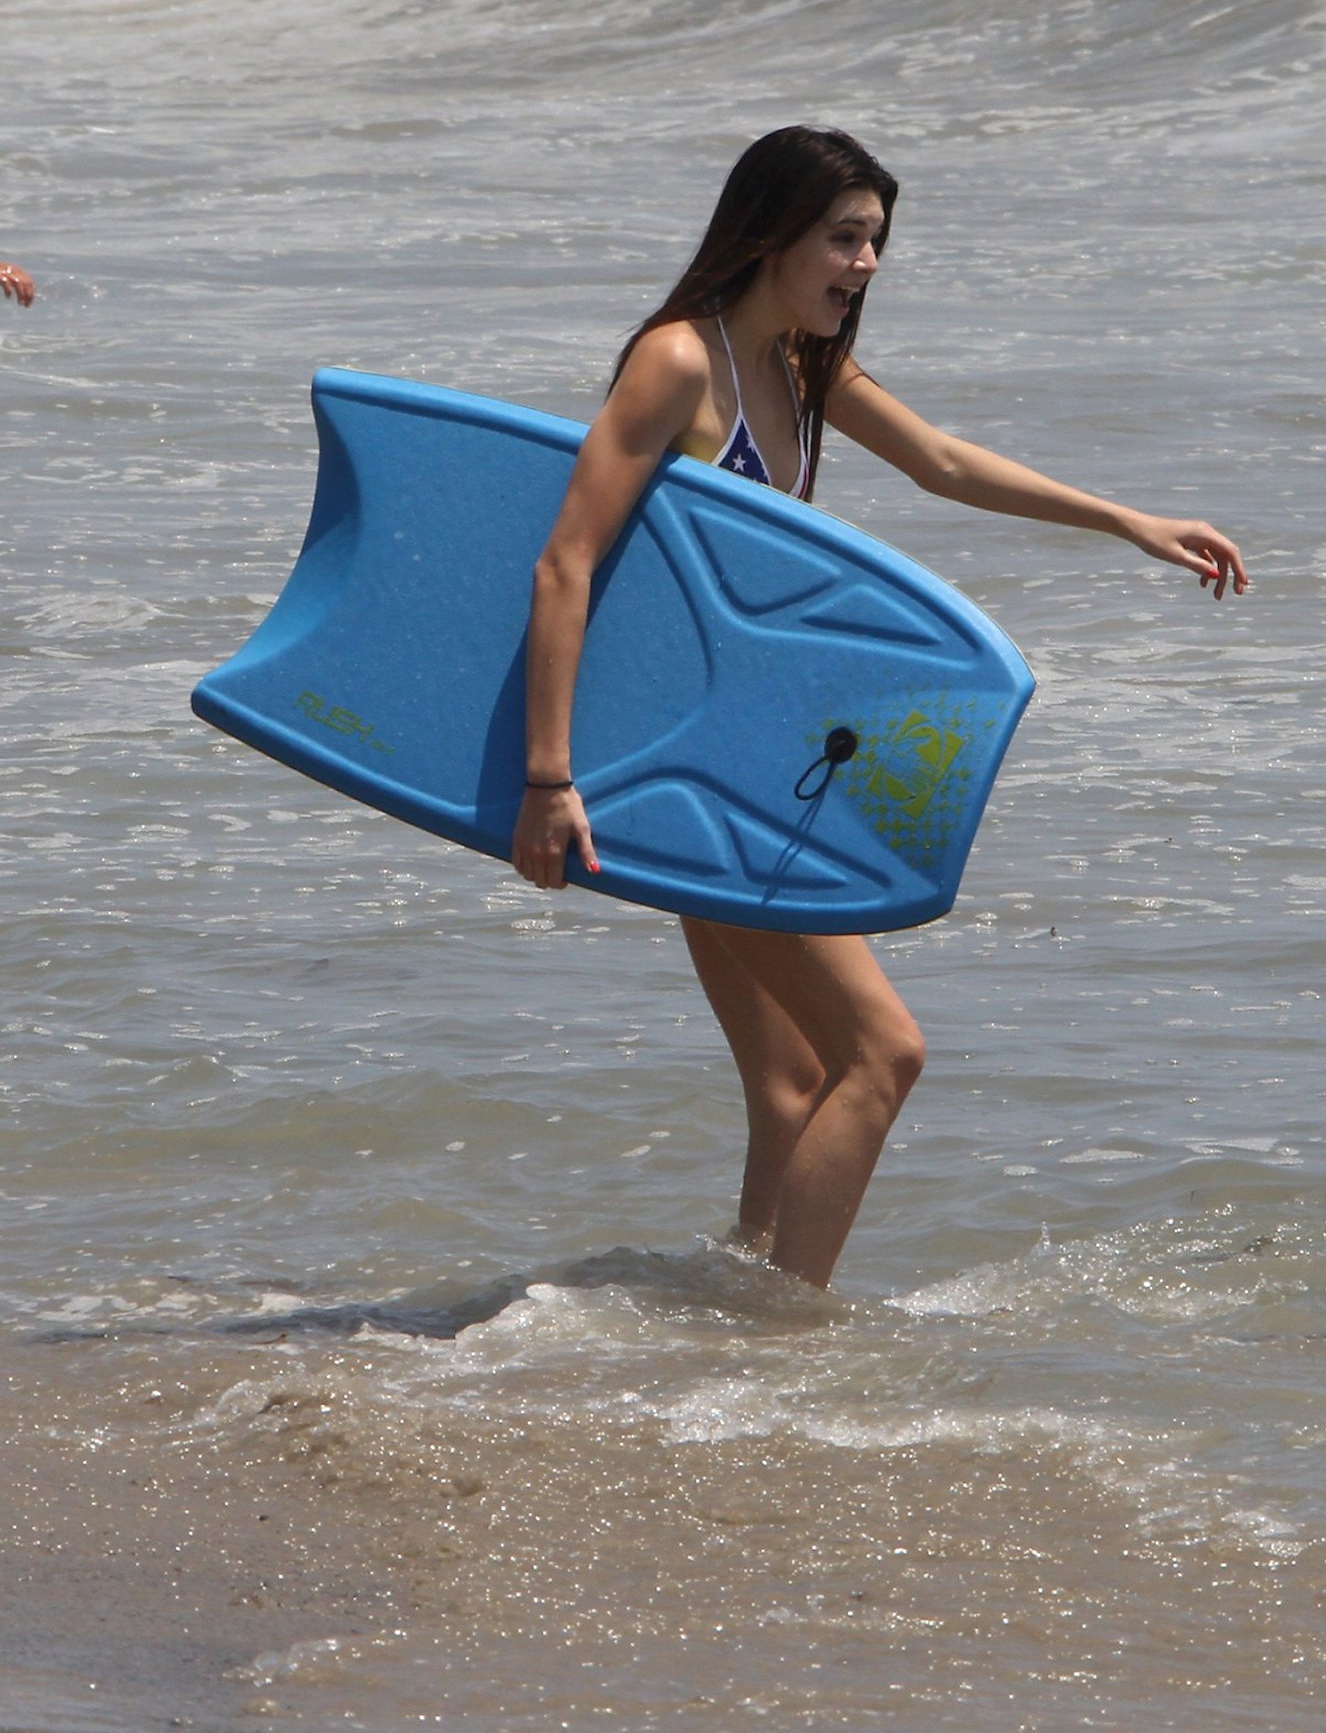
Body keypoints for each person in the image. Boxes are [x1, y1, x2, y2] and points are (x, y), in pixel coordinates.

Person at [512, 128, 1248, 1287]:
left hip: (750, 761)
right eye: (844, 239)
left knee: (792, 1082)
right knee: (883, 1053)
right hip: (692, 777)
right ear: (769, 236)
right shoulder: (678, 364)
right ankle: (784, 1335)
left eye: (874, 244)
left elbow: (942, 461)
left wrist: (1127, 522)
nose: (864, 266)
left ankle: (731, 1307)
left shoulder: (806, 368)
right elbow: (565, 563)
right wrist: (548, 779)